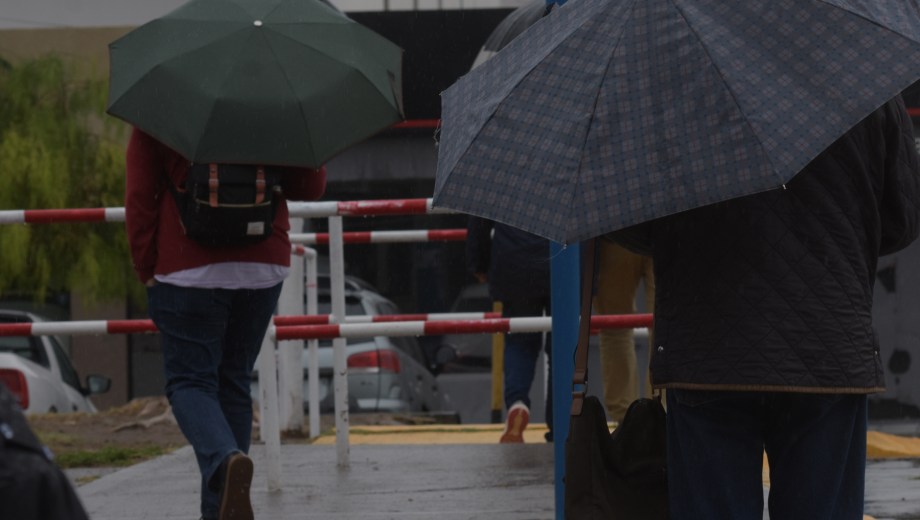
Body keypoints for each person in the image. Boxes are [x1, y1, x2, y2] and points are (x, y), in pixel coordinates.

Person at [612, 95, 920, 519]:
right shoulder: (863, 82)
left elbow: (630, 218)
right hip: (827, 345)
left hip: (708, 347)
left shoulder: (674, 84)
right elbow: (903, 216)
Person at [124, 128, 326, 520]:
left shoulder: (164, 103)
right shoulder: (273, 99)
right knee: (232, 379)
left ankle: (224, 459)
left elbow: (139, 194)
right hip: (262, 263)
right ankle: (221, 507)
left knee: (190, 382)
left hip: (187, 265)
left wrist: (146, 265)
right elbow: (310, 185)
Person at [466, 216, 552, 443]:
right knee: (562, 344)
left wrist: (480, 264)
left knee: (520, 341)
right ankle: (560, 420)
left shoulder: (503, 180)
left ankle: (518, 402)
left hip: (515, 261)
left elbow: (479, 220)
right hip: (562, 258)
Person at [593, 239, 655, 422]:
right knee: (667, 327)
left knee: (615, 328)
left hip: (616, 228)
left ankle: (625, 420)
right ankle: (662, 413)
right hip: (667, 224)